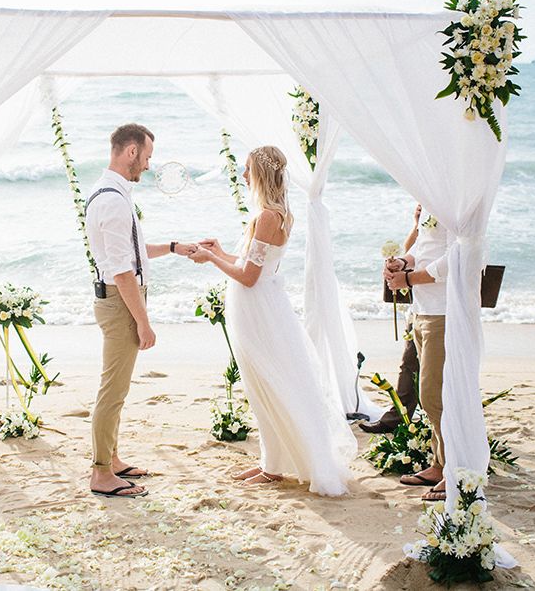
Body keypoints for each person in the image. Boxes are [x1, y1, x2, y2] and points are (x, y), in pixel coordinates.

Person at [189, 146, 357, 496]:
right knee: (261, 386)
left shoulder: (267, 216)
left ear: (261, 173)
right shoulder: (276, 213)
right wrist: (220, 251)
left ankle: (274, 466)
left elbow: (249, 276)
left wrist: (209, 259)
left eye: (248, 168)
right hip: (261, 305)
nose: (244, 175)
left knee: (268, 384)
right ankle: (272, 463)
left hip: (259, 309)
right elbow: (255, 264)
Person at [86, 123, 196, 498]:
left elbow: (130, 252)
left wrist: (174, 247)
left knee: (116, 387)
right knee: (113, 390)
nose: (148, 166)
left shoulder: (111, 194)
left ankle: (112, 459)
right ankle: (101, 473)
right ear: (131, 152)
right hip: (120, 302)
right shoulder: (113, 201)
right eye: (147, 157)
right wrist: (144, 322)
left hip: (117, 299)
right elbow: (121, 270)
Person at [384, 206, 450, 501]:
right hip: (423, 310)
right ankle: (440, 464)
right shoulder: (428, 199)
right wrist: (402, 262)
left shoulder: (453, 201)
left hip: (444, 311)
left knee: (435, 396)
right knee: (430, 396)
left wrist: (409, 280)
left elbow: (453, 261)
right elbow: (425, 247)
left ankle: (452, 471)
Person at [360, 204, 422, 435]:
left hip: (436, 301)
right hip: (419, 302)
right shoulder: (427, 220)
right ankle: (398, 415)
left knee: (414, 362)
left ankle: (399, 416)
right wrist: (417, 225)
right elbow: (412, 249)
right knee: (409, 361)